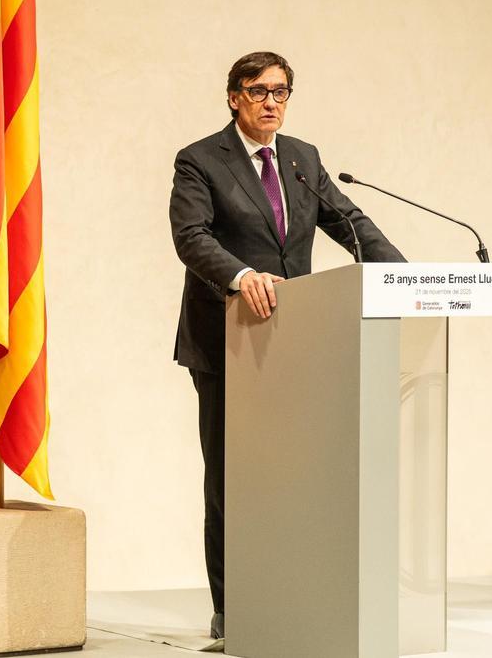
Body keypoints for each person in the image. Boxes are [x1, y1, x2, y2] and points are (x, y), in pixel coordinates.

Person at [168, 51, 405, 639]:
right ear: (234, 97)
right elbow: (191, 236)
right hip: (228, 340)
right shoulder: (200, 160)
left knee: (293, 475)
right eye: (258, 91)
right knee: (230, 479)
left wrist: (403, 275)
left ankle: (290, 592)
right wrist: (240, 275)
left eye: (281, 92)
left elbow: (349, 221)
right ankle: (233, 609)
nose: (271, 102)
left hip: (298, 338)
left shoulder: (302, 159)